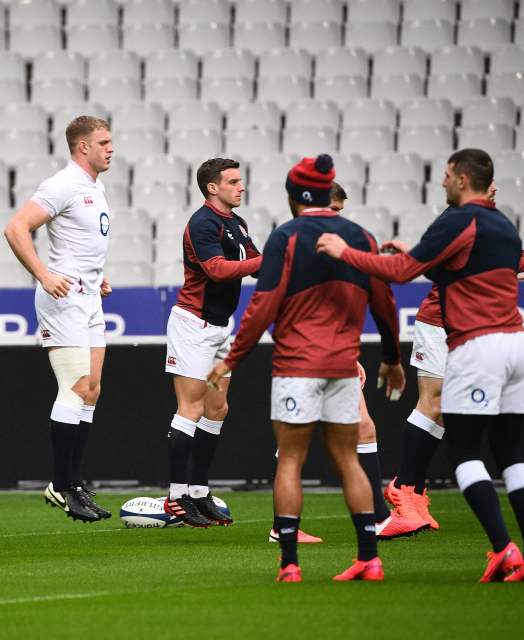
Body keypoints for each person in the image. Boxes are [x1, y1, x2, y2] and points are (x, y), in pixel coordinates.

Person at [316, 148, 524, 582]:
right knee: (511, 454)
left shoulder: (458, 220)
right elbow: (466, 272)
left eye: (446, 174)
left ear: (461, 178)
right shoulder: (503, 226)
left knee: (463, 451)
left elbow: (401, 272)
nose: (441, 181)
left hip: (478, 344)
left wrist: (346, 252)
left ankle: (501, 548)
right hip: (518, 343)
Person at [208, 154, 404, 582]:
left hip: (296, 365)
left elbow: (263, 305)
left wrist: (232, 358)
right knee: (348, 461)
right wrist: (391, 357)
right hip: (342, 365)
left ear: (294, 196)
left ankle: (290, 564)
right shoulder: (360, 235)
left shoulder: (287, 237)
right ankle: (369, 559)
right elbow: (384, 302)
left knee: (291, 461)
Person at [4, 116, 114, 523]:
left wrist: (97, 277)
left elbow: (79, 243)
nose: (110, 148)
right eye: (103, 142)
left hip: (88, 299)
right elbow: (16, 228)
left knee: (93, 390)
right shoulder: (62, 184)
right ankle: (62, 485)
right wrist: (44, 274)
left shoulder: (95, 188)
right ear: (82, 146)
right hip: (62, 300)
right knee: (76, 387)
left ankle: (75, 482)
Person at [162, 158, 260, 527]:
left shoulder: (237, 223)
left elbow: (256, 263)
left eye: (241, 179)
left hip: (220, 326)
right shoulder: (202, 222)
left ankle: (200, 494)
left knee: (217, 410)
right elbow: (217, 269)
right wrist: (265, 261)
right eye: (233, 181)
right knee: (190, 408)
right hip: (193, 324)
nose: (241, 186)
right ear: (212, 188)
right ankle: (176, 496)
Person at [330, 183, 429, 541]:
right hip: (322, 355)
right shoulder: (318, 246)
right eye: (334, 209)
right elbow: (379, 297)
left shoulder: (311, 245)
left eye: (341, 211)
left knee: (357, 430)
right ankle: (377, 521)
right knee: (302, 443)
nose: (338, 217)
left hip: (325, 353)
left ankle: (378, 519)